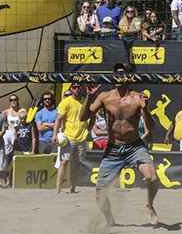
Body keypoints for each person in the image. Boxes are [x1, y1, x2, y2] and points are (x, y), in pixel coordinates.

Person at [79, 63, 159, 228]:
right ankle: (109, 219)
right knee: (99, 193)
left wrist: (145, 110)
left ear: (129, 77)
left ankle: (149, 205)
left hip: (135, 147)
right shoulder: (105, 96)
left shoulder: (137, 98)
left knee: (152, 177)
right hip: (113, 148)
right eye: (116, 73)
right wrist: (89, 96)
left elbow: (151, 128)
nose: (118, 76)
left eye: (122, 73)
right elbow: (83, 117)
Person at [53, 82, 88, 194]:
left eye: (78, 87)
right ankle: (58, 189)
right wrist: (54, 135)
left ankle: (72, 188)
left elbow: (92, 115)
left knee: (76, 164)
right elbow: (58, 119)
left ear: (81, 88)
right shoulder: (66, 102)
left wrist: (89, 128)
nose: (77, 89)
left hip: (82, 137)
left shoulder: (85, 101)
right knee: (64, 162)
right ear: (71, 89)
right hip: (68, 137)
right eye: (74, 87)